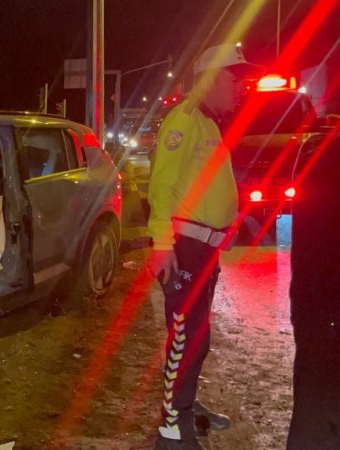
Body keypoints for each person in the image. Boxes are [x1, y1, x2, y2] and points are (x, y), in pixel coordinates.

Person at [147, 43, 252, 450]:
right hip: (184, 246)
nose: (239, 86)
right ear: (210, 80)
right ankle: (173, 427)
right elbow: (161, 185)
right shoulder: (185, 119)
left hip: (202, 248)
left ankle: (185, 406)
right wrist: (161, 244)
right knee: (184, 336)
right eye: (233, 77)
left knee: (197, 335)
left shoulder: (209, 123)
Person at [286, 131, 340, 449]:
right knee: (320, 415)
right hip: (327, 315)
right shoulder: (329, 158)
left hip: (318, 312)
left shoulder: (323, 152)